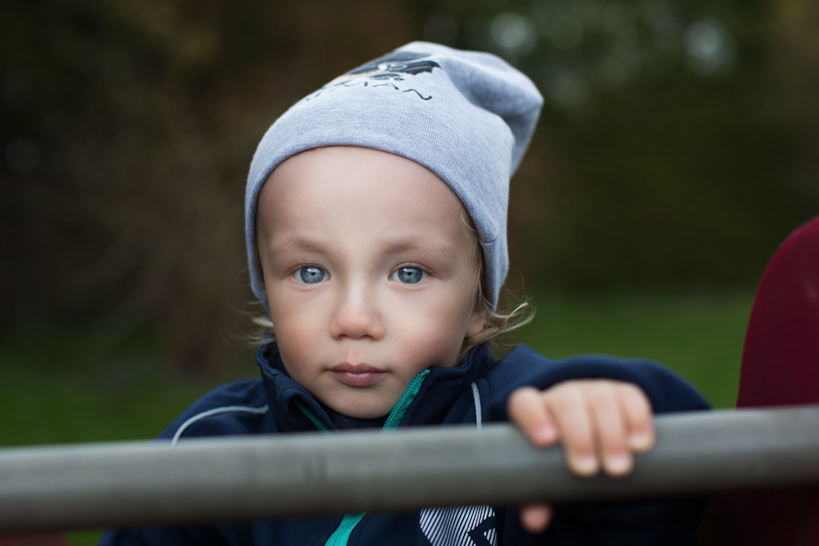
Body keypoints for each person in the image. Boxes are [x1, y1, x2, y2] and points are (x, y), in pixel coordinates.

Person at [100, 42, 708, 546]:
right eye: (310, 273)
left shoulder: (520, 424)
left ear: (478, 302)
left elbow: (681, 499)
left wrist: (608, 410)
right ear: (265, 284)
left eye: (409, 274)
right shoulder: (211, 448)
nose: (354, 319)